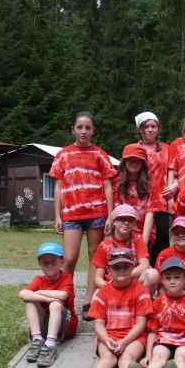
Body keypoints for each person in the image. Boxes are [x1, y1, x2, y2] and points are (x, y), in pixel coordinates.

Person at [49, 111, 117, 321]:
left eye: (88, 128)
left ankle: (89, 302)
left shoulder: (100, 155)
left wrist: (110, 216)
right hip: (71, 214)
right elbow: (58, 188)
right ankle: (65, 299)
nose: (84, 131)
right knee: (69, 259)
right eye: (80, 127)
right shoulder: (63, 155)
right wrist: (57, 216)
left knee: (95, 258)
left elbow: (108, 187)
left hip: (97, 213)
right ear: (73, 129)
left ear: (93, 130)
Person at [86, 248, 154, 368]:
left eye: (126, 266)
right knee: (107, 358)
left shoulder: (141, 291)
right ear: (108, 270)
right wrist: (106, 340)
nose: (121, 270)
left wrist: (124, 342)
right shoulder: (103, 292)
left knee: (127, 357)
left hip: (134, 338)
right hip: (109, 336)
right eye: (116, 267)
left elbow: (141, 324)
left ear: (133, 267)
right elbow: (99, 324)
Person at [20, 242, 78, 368]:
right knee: (30, 301)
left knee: (55, 304)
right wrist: (45, 297)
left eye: (53, 261)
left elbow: (63, 295)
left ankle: (51, 345)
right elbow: (22, 294)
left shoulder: (66, 278)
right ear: (39, 264)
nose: (49, 265)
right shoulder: (38, 280)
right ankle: (38, 339)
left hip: (64, 328)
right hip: (45, 327)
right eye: (45, 262)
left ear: (62, 262)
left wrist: (39, 292)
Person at [90, 204, 158, 301]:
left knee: (152, 274)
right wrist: (107, 285)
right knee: (95, 301)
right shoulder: (104, 245)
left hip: (132, 282)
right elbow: (98, 277)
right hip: (111, 284)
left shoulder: (138, 239)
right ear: (114, 221)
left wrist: (124, 277)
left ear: (134, 223)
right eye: (122, 219)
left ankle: (139, 304)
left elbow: (145, 265)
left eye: (130, 220)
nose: (126, 223)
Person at [135, 112, 172, 264]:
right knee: (141, 243)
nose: (150, 130)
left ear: (158, 128)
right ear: (140, 129)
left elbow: (174, 171)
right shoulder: (135, 149)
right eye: (146, 127)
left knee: (161, 246)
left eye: (153, 126)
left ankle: (160, 277)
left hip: (162, 202)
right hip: (140, 202)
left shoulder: (167, 149)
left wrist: (175, 185)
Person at [113, 144, 162, 247]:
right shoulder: (116, 184)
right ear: (124, 162)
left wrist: (143, 243)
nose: (134, 163)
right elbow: (118, 214)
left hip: (145, 233)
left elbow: (150, 214)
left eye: (138, 160)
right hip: (123, 232)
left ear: (143, 163)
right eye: (130, 160)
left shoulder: (152, 184)